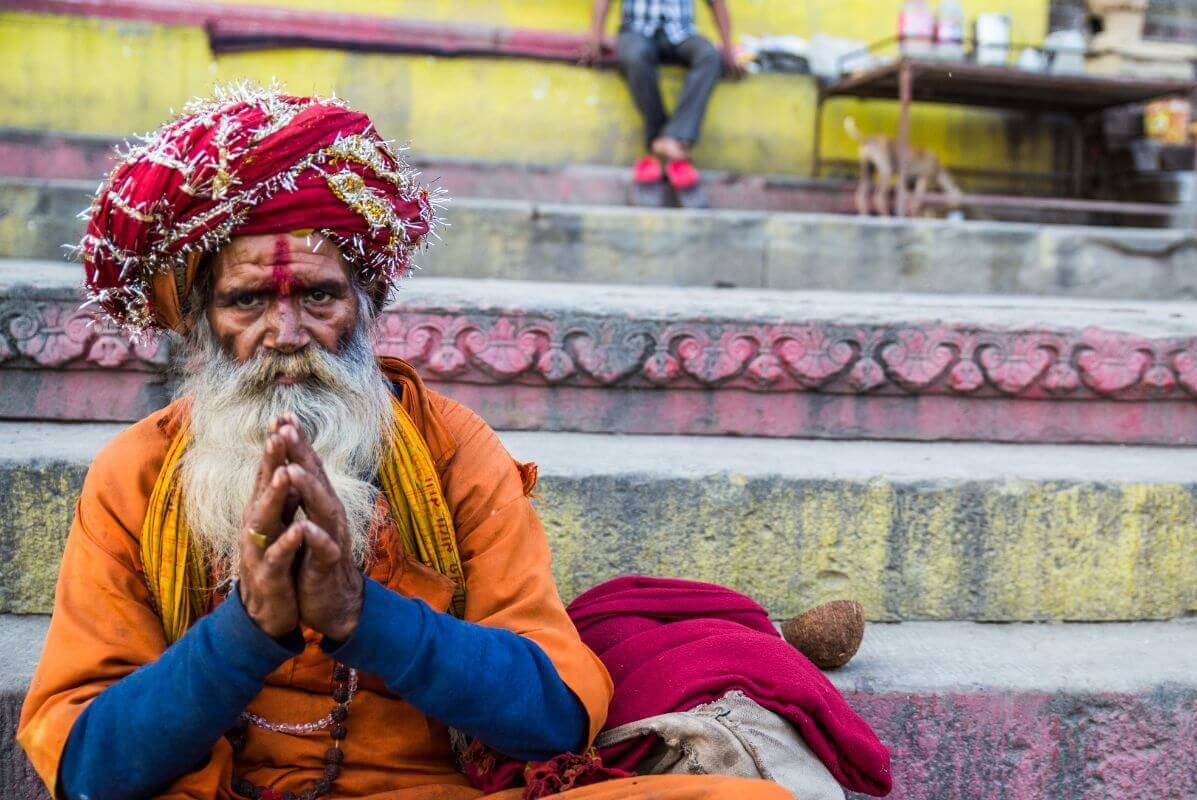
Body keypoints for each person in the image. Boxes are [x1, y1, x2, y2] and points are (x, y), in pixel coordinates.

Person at [16, 85, 793, 800]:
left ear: (367, 304)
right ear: (198, 324)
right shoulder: (138, 476)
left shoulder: (450, 452)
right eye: (247, 300)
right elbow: (90, 768)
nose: (286, 336)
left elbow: (555, 718)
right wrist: (248, 628)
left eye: (319, 295)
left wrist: (358, 613)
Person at [579, 0, 743, 190]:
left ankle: (671, 137)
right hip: (636, 31)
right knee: (635, 57)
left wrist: (728, 47)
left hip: (681, 33)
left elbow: (716, 3)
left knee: (709, 57)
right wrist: (595, 37)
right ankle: (665, 139)